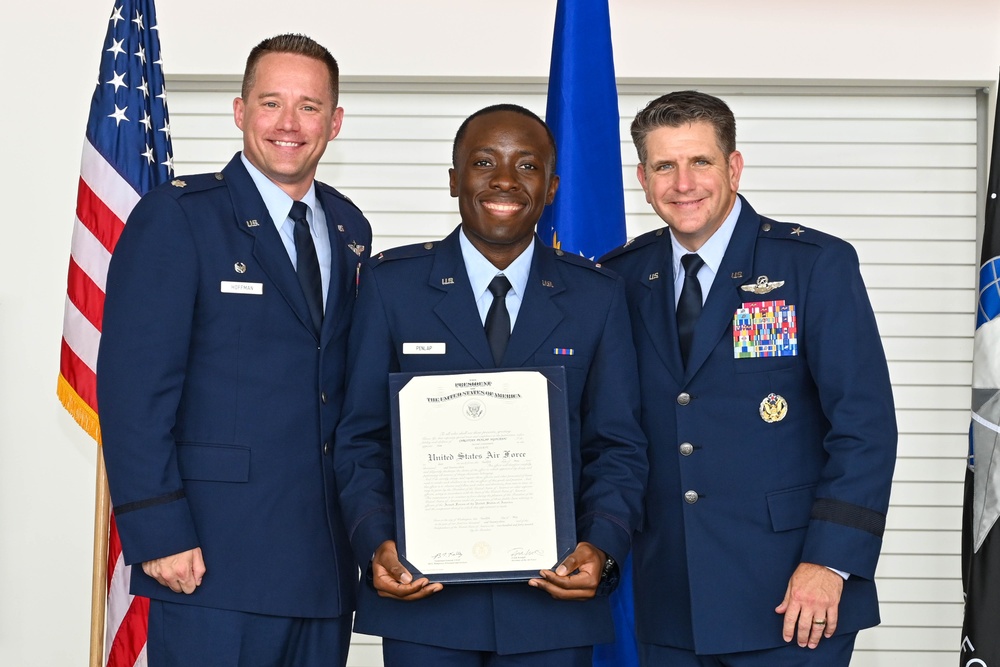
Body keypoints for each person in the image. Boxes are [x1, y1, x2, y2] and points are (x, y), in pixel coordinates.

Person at [333, 104, 648, 667]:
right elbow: (361, 436)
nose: (505, 180)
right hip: (424, 599)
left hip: (551, 603)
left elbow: (618, 444)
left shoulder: (597, 297)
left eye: (527, 166)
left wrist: (600, 545)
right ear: (455, 180)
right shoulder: (391, 286)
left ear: (551, 189)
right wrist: (375, 541)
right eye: (484, 162)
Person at [96, 33, 371, 666]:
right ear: (240, 109)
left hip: (322, 563)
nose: (288, 123)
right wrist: (157, 531)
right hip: (210, 560)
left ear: (334, 121)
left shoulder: (349, 226)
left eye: (308, 106)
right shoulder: (179, 217)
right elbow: (134, 390)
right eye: (271, 102)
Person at [599, 90, 897, 667]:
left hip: (795, 593)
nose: (683, 183)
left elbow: (864, 428)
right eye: (665, 166)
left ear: (733, 166)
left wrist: (830, 562)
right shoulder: (621, 278)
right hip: (670, 593)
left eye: (700, 162)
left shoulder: (811, 265)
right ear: (642, 177)